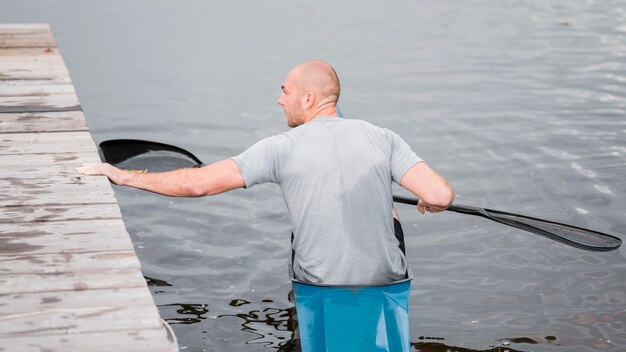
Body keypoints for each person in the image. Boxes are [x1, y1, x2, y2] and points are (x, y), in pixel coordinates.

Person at [77, 60, 454, 286]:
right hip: (385, 283)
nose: (279, 99)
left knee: (302, 229)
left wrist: (124, 176)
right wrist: (427, 201)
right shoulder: (382, 138)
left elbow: (197, 185)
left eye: (285, 91)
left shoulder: (279, 148)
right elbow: (440, 196)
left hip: (319, 286)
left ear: (308, 99)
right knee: (389, 211)